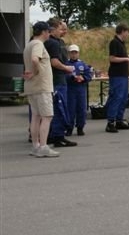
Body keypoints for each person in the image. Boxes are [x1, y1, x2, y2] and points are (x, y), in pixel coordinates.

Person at [23, 21, 58, 157]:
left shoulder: (29, 44)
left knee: (36, 117)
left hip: (32, 86)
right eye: (48, 31)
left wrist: (31, 72)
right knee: (47, 116)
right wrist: (36, 72)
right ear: (43, 32)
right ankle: (43, 146)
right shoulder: (38, 44)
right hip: (42, 86)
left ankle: (35, 146)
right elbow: (35, 59)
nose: (49, 33)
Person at [105, 23, 129, 133]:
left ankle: (119, 120)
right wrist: (127, 60)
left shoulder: (121, 43)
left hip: (123, 75)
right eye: (127, 32)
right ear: (122, 31)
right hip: (116, 75)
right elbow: (112, 58)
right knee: (116, 97)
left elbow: (123, 56)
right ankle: (110, 122)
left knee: (123, 98)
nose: (128, 34)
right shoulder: (114, 42)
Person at [44, 18, 77, 147]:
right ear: (53, 29)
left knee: (58, 108)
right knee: (59, 108)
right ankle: (58, 136)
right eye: (60, 28)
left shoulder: (59, 42)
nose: (62, 31)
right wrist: (66, 68)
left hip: (60, 79)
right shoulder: (52, 43)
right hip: (56, 79)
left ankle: (54, 134)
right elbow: (54, 62)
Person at [65, 44, 92, 136]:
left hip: (81, 89)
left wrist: (83, 78)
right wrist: (72, 78)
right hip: (70, 89)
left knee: (81, 109)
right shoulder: (66, 64)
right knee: (70, 109)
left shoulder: (82, 64)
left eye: (75, 53)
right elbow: (64, 75)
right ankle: (69, 128)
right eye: (72, 53)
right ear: (69, 54)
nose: (74, 55)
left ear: (78, 53)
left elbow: (89, 74)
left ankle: (80, 127)